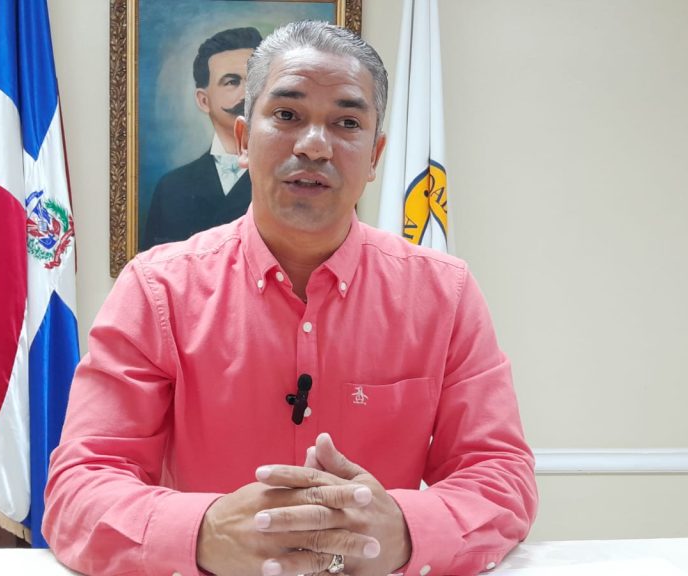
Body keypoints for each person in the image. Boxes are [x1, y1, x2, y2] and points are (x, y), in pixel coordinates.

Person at [44, 20, 538, 576]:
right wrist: (206, 532)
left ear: (375, 155)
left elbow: (500, 476)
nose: (314, 145)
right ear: (242, 139)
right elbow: (80, 487)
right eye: (286, 115)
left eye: (347, 122)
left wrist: (402, 528)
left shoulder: (444, 294)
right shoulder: (156, 290)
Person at [141, 27, 263, 250]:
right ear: (203, 100)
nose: (247, 93)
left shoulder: (287, 180)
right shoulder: (172, 188)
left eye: (254, 80)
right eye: (232, 82)